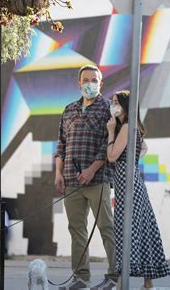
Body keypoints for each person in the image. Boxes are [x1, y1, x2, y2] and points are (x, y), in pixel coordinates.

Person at [54, 65, 117, 290]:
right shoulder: (69, 109)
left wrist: (92, 169)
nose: (90, 83)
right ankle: (81, 277)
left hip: (98, 180)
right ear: (78, 83)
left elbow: (107, 145)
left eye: (94, 80)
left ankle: (114, 276)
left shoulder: (109, 108)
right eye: (86, 80)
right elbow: (61, 143)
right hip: (71, 180)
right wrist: (58, 172)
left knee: (106, 228)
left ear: (101, 84)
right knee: (76, 229)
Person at [106, 90, 170, 290]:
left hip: (127, 182)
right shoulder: (131, 127)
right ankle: (147, 282)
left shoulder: (125, 127)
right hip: (133, 180)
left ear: (125, 106)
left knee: (126, 228)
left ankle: (120, 282)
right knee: (141, 227)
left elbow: (112, 156)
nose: (113, 105)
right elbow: (142, 150)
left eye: (116, 102)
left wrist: (110, 132)